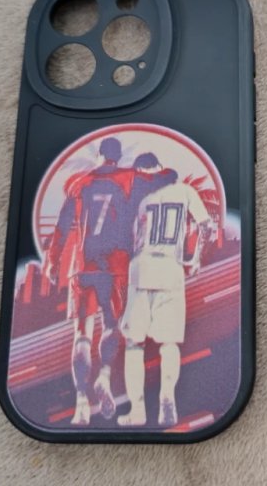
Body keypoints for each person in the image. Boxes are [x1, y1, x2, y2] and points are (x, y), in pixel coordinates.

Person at [44, 138, 177, 425]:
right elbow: (169, 177)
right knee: (111, 326)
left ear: (100, 155)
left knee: (82, 333)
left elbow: (62, 225)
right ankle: (104, 375)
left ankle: (81, 403)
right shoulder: (130, 178)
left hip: (83, 266)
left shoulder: (79, 183)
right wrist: (156, 171)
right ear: (118, 156)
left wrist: (52, 261)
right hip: (116, 268)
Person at [117, 153, 213, 428]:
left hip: (141, 267)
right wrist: (195, 258)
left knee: (134, 343)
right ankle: (167, 398)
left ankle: (137, 411)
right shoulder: (184, 191)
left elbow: (126, 236)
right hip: (171, 267)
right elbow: (206, 225)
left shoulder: (139, 196)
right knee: (169, 343)